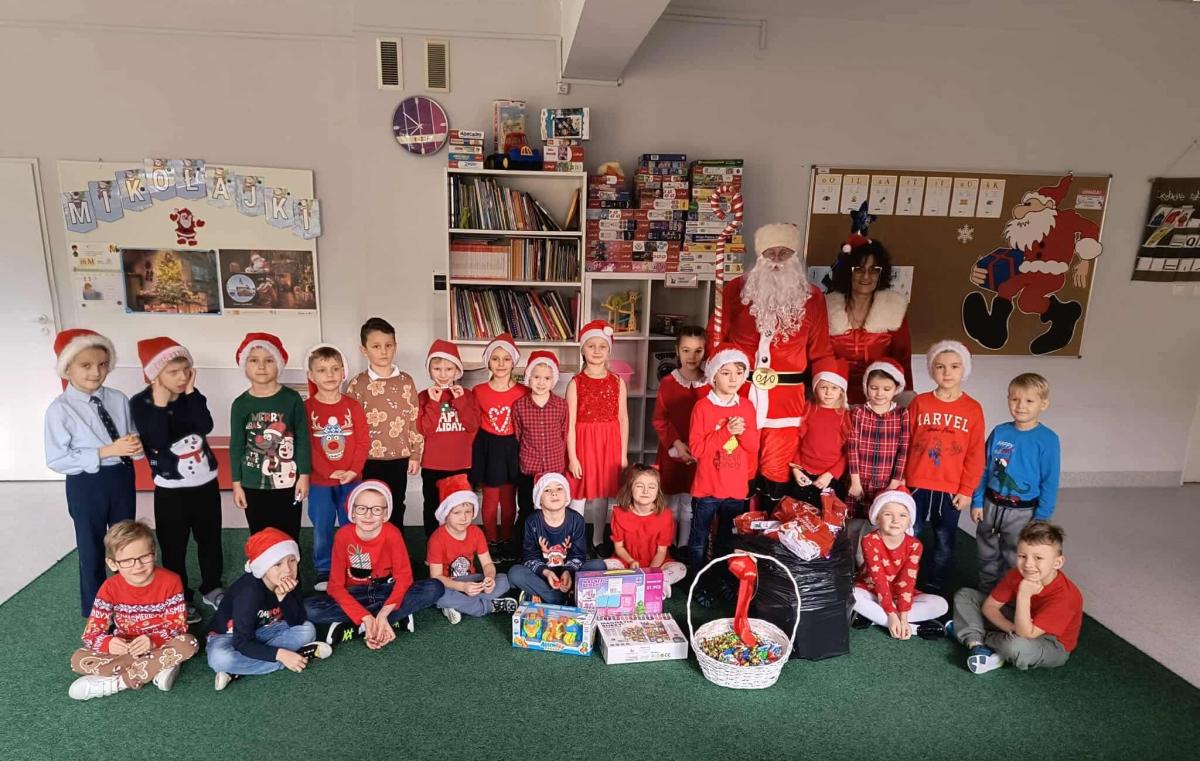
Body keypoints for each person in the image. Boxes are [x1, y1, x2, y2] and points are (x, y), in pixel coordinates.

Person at [707, 223, 834, 512]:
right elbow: (716, 339)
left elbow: (821, 351)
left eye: (784, 253)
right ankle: (733, 528)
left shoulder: (813, 297)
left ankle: (769, 530)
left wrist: (828, 395)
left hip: (787, 404)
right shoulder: (734, 290)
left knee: (777, 468)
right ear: (760, 256)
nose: (777, 260)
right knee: (737, 461)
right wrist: (716, 383)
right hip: (739, 396)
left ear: (795, 257)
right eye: (770, 253)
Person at [44, 329, 143, 616]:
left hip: (121, 477)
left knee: (126, 540)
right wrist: (105, 451)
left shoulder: (118, 398)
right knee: (91, 547)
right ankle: (97, 609)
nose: (96, 372)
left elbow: (130, 433)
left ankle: (131, 600)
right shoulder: (60, 410)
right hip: (86, 483)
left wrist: (135, 446)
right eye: (85, 365)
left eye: (102, 364)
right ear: (68, 368)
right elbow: (57, 459)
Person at [131, 336, 224, 623]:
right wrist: (160, 406)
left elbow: (205, 425)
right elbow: (157, 441)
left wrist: (193, 393)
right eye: (173, 372)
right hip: (171, 490)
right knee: (174, 546)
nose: (182, 377)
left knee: (210, 539)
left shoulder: (192, 396)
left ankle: (212, 587)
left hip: (206, 484)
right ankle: (180, 597)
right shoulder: (141, 403)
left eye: (186, 370)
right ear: (154, 374)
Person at [68, 520, 198, 701]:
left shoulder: (171, 581)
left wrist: (153, 641)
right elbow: (91, 633)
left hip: (161, 643)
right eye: (127, 561)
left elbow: (178, 627)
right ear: (113, 564)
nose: (138, 566)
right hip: (125, 646)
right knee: (78, 659)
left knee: (189, 643)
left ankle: (118, 682)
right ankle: (158, 665)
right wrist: (108, 644)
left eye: (145, 557)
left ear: (154, 554)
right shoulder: (109, 588)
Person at [303, 481, 444, 646]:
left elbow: (404, 578)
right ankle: (388, 620)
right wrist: (366, 616)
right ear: (352, 512)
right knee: (308, 608)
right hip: (356, 593)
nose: (368, 515)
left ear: (385, 514)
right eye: (361, 508)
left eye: (376, 509)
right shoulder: (343, 535)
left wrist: (384, 613)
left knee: (435, 587)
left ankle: (362, 625)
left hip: (386, 590)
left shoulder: (392, 533)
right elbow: (335, 587)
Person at [904, 340, 985, 594]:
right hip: (916, 483)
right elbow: (904, 443)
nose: (947, 372)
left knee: (944, 539)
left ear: (964, 369)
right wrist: (900, 479)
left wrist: (967, 489)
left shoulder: (973, 409)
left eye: (954, 366)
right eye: (940, 366)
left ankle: (935, 586)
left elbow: (975, 454)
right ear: (931, 370)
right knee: (909, 534)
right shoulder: (920, 403)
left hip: (950, 487)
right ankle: (904, 582)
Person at [207, 528, 331, 691]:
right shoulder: (248, 593)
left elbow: (297, 620)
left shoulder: (289, 579)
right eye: (277, 564)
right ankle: (298, 655)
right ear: (263, 567)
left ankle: (237, 671)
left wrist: (283, 597)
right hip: (230, 636)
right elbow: (241, 642)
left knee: (307, 630)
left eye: (292, 560)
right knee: (220, 659)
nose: (288, 570)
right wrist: (281, 655)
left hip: (266, 629)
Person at [952, 521, 1082, 673]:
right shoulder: (1017, 574)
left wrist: (1024, 595)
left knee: (1016, 646)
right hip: (1019, 622)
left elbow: (1026, 634)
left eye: (1038, 558)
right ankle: (976, 644)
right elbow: (989, 607)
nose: (1028, 564)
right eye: (1022, 556)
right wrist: (1011, 628)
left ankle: (975, 633)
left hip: (1051, 642)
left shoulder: (1066, 596)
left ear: (1057, 562)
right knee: (966, 595)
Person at [971, 373, 1061, 592]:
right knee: (986, 552)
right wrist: (977, 501)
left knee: (1016, 556)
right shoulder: (1000, 432)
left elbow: (1050, 481)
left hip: (1023, 512)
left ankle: (1010, 596)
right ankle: (987, 592)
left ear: (1043, 404)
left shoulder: (1048, 439)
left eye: (1029, 401)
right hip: (991, 505)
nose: (1021, 406)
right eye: (1015, 399)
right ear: (1008, 399)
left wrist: (1041, 518)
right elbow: (982, 468)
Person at [687, 344, 760, 581]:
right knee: (699, 538)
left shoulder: (746, 406)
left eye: (739, 373)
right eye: (726, 373)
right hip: (707, 488)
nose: (733, 379)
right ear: (713, 376)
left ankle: (720, 579)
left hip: (735, 489)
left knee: (727, 539)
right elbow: (697, 450)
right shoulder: (702, 407)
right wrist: (726, 431)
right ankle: (697, 581)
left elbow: (752, 447)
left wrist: (740, 432)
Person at [229, 332, 311, 542]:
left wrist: (304, 476)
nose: (261, 366)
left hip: (287, 483)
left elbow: (303, 439)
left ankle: (292, 565)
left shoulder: (292, 399)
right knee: (260, 538)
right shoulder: (240, 404)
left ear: (279, 364)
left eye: (269, 360)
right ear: (244, 365)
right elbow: (236, 446)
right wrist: (237, 484)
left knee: (289, 536)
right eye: (254, 360)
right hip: (252, 484)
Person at [346, 317, 424, 531]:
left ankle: (395, 546)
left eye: (388, 345)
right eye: (376, 346)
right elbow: (350, 425)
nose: (383, 351)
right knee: (370, 506)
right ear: (364, 350)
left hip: (399, 457)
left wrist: (416, 454)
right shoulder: (357, 384)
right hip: (368, 459)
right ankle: (372, 547)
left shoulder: (406, 381)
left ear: (395, 346)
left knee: (396, 504)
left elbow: (414, 418)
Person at [304, 344, 369, 591]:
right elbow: (307, 446)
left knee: (352, 524)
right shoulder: (307, 409)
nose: (329, 374)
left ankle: (355, 566)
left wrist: (352, 470)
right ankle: (324, 569)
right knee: (322, 526)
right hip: (320, 482)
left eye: (335, 369)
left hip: (352, 480)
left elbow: (362, 442)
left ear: (343, 372)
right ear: (312, 376)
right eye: (322, 370)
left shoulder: (353, 406)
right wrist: (328, 471)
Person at [825, 238, 913, 405]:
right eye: (859, 269)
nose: (866, 276)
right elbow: (816, 359)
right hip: (833, 401)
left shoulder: (894, 310)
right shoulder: (825, 309)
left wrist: (904, 403)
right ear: (848, 272)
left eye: (873, 270)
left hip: (878, 404)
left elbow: (903, 362)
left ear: (881, 274)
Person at [567, 320, 629, 549]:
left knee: (603, 492)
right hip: (583, 443)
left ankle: (598, 539)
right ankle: (575, 541)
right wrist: (572, 457)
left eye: (602, 346)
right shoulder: (575, 383)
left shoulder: (617, 382)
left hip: (609, 443)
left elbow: (623, 419)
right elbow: (570, 423)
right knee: (580, 492)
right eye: (591, 346)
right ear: (583, 349)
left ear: (609, 350)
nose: (596, 351)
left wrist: (622, 455)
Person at [851, 491, 947, 640]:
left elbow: (907, 581)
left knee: (941, 604)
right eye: (888, 514)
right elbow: (879, 579)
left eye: (902, 515)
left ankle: (874, 619)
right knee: (852, 595)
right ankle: (915, 629)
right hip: (871, 589)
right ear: (877, 519)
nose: (896, 520)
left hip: (899, 594)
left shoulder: (915, 545)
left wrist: (903, 615)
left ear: (909, 521)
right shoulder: (869, 540)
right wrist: (891, 614)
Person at [427, 474, 517, 623]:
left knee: (504, 580)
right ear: (445, 513)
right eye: (457, 512)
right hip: (448, 583)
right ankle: (488, 606)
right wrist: (462, 587)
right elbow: (436, 577)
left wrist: (489, 578)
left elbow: (487, 564)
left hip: (471, 581)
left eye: (468, 512)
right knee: (436, 594)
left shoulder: (476, 532)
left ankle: (458, 604)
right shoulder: (436, 538)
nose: (463, 518)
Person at [846, 358, 910, 564]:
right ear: (866, 387)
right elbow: (852, 447)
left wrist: (894, 483)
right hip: (859, 480)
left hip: (885, 483)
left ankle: (871, 567)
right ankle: (850, 567)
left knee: (877, 526)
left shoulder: (902, 414)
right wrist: (855, 481)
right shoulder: (859, 412)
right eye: (874, 388)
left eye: (886, 389)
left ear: (896, 389)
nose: (879, 393)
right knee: (852, 525)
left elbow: (903, 450)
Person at [508, 472, 607, 605]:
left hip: (570, 574)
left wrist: (568, 572)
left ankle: (546, 596)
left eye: (559, 488)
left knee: (599, 565)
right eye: (547, 490)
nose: (554, 493)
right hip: (543, 576)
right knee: (515, 573)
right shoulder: (532, 521)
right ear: (539, 499)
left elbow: (578, 555)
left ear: (567, 496)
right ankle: (564, 598)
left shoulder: (576, 520)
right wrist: (547, 573)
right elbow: (530, 557)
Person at [470, 332, 528, 553]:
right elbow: (474, 424)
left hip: (513, 448)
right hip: (490, 449)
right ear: (488, 362)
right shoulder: (479, 391)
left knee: (509, 500)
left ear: (513, 362)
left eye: (506, 359)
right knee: (490, 499)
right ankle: (492, 540)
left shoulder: (524, 392)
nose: (501, 364)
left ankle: (507, 539)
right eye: (495, 359)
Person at [651, 325, 708, 548]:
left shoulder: (710, 383)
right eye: (686, 350)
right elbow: (660, 419)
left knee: (690, 503)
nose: (692, 356)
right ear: (677, 350)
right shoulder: (668, 383)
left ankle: (684, 545)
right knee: (671, 503)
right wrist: (676, 443)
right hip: (672, 450)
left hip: (699, 452)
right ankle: (669, 546)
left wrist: (697, 447)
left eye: (698, 350)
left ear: (705, 351)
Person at [417, 339, 479, 537]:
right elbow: (424, 430)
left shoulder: (467, 395)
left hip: (461, 463)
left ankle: (459, 546)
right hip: (432, 464)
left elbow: (472, 425)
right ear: (429, 370)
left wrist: (460, 401)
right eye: (437, 369)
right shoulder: (423, 396)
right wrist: (433, 403)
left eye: (449, 369)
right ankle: (433, 545)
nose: (443, 374)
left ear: (457, 371)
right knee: (432, 506)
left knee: (461, 508)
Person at [512, 350, 568, 554]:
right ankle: (523, 550)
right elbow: (518, 435)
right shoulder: (519, 406)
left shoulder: (561, 406)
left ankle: (554, 549)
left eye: (546, 378)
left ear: (553, 380)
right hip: (529, 469)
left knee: (553, 511)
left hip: (554, 470)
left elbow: (564, 433)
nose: (541, 382)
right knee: (527, 509)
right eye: (536, 377)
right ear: (528, 378)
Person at [605, 464, 688, 598]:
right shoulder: (619, 513)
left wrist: (650, 572)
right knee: (607, 564)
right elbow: (619, 548)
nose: (645, 491)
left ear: (657, 491)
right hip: (627, 562)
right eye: (639, 486)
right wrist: (631, 561)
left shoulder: (665, 516)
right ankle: (638, 584)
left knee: (680, 568)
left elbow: (661, 551)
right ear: (630, 488)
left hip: (657, 564)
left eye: (651, 487)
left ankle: (655, 584)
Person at [790, 357, 851, 506]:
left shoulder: (845, 416)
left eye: (834, 388)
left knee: (828, 515)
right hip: (803, 473)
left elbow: (848, 453)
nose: (828, 392)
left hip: (829, 478)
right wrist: (796, 469)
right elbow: (796, 442)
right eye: (823, 387)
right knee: (800, 513)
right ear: (815, 388)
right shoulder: (808, 409)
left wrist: (830, 475)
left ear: (841, 391)